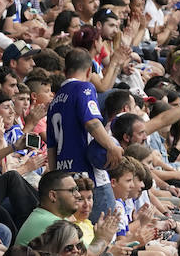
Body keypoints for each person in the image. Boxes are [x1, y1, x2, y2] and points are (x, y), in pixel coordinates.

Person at [47, 48, 123, 221]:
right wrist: (111, 146)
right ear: (89, 71)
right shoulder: (84, 87)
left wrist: (54, 177)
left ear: (65, 71)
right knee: (107, 229)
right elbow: (92, 122)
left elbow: (51, 147)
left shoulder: (55, 101)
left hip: (65, 178)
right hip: (89, 176)